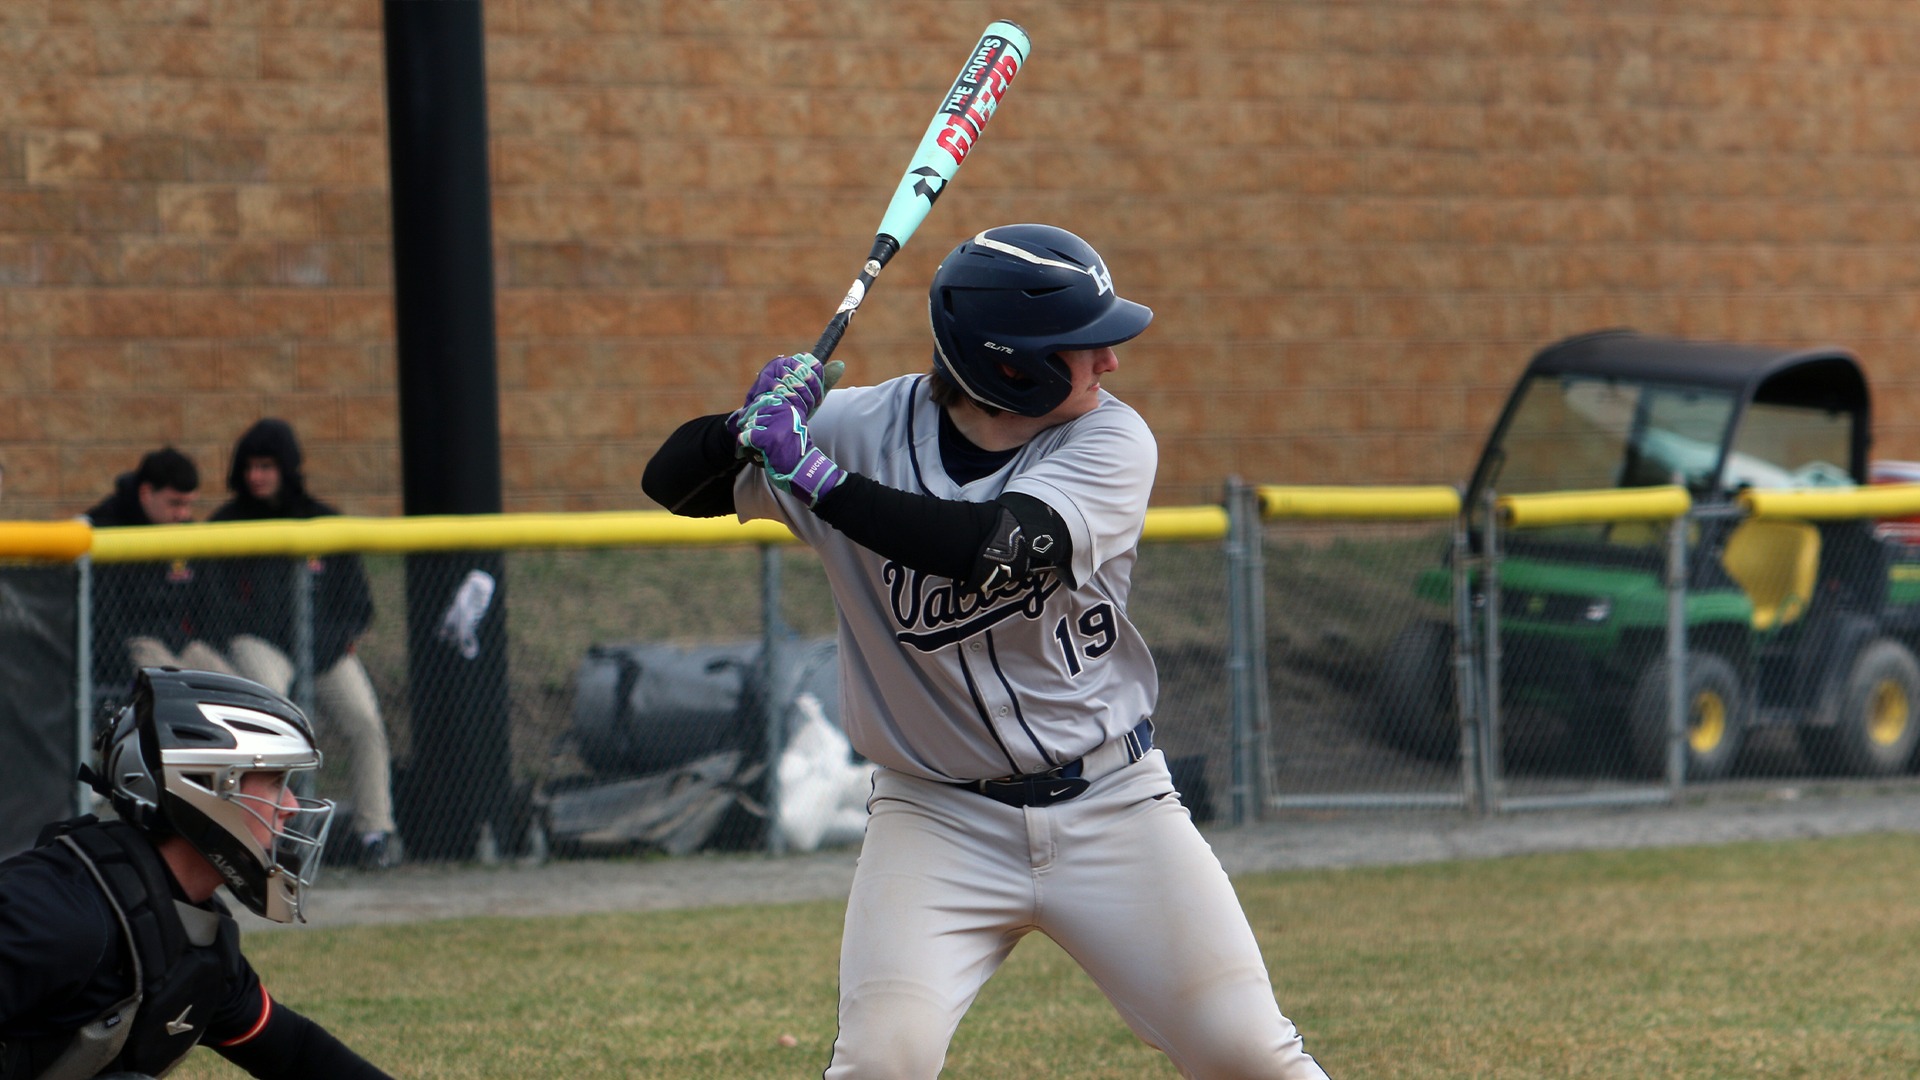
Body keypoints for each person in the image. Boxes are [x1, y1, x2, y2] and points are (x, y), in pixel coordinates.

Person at [643, 224, 1329, 1078]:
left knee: (1248, 1054)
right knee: (881, 1064)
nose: (1110, 362)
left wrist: (816, 478)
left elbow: (990, 547)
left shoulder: (1111, 440)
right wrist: (738, 431)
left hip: (1113, 804)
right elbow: (670, 485)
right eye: (1085, 347)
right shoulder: (859, 428)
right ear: (1014, 365)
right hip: (936, 818)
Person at [0, 666, 393, 1079]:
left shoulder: (192, 937)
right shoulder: (62, 912)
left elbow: (295, 1052)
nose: (292, 805)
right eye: (276, 779)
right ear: (203, 784)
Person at [204, 419, 401, 871]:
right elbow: (217, 605)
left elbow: (359, 605)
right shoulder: (226, 525)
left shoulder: (323, 521)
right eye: (251, 466)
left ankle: (375, 833)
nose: (257, 476)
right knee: (269, 714)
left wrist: (329, 643)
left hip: (324, 650)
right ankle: (265, 833)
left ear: (287, 469)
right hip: (262, 643)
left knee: (366, 722)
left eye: (267, 466)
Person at [81, 447, 238, 684]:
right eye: (174, 503)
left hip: (180, 641)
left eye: (188, 504)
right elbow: (105, 617)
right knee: (173, 686)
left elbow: (210, 604)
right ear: (146, 493)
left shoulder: (186, 532)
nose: (182, 514)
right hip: (133, 643)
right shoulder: (106, 528)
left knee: (230, 685)